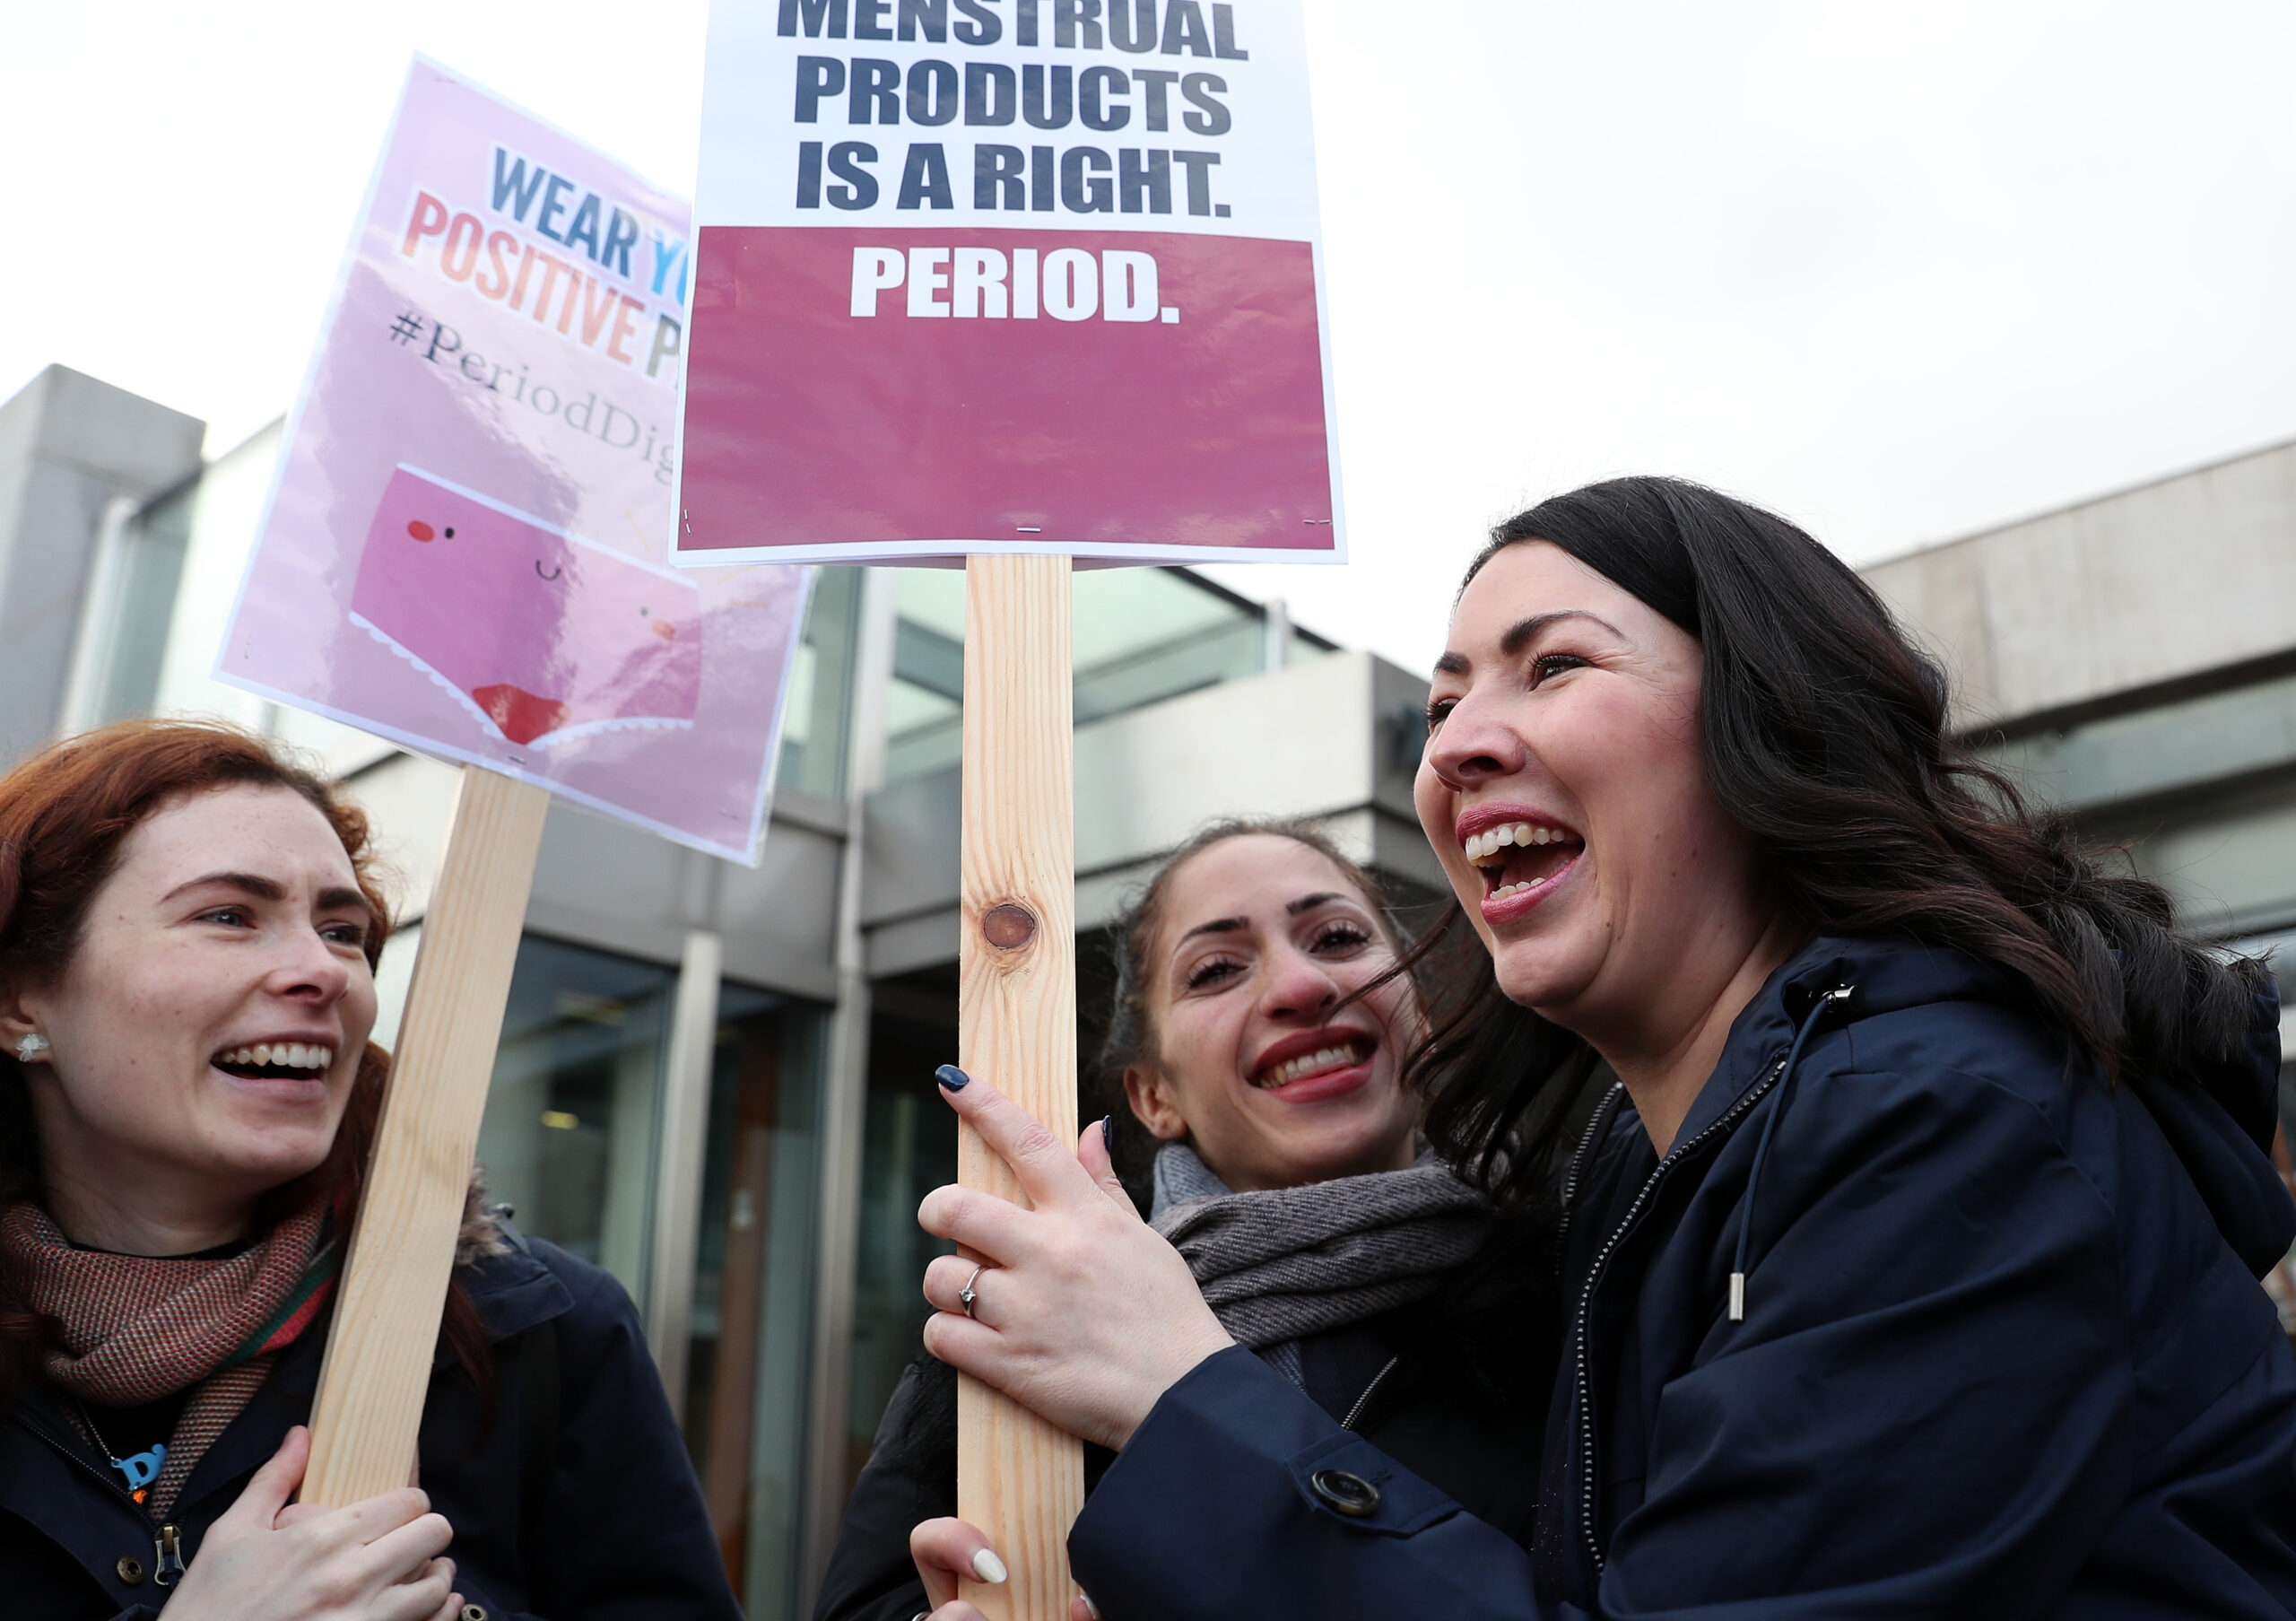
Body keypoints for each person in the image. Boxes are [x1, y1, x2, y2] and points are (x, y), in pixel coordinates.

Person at [904, 477, 2296, 1620]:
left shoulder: (1945, 1124)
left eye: (1553, 665)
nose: (1454, 749)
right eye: (1441, 707)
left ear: (1767, 712)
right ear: (1142, 1092)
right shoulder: (1643, 1174)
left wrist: (1177, 1394)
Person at [0, 719, 743, 1621]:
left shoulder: (533, 1334)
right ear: (19, 1000)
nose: (324, 971)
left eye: (343, 930)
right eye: (228, 915)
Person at [821, 821, 1559, 1621]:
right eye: (1216, 970)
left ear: (1417, 1006)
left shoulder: (1578, 1285)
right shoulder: (1018, 1315)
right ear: (1153, 1098)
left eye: (1339, 936)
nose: (1301, 986)